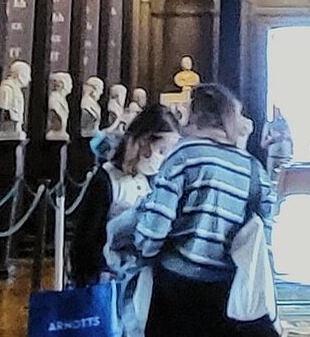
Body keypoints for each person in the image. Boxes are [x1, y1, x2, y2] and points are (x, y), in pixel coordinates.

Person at [132, 82, 271, 337]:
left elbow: (154, 230)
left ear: (197, 115)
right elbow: (264, 233)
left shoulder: (183, 155)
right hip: (227, 292)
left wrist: (142, 250)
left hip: (175, 289)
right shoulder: (254, 169)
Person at [77, 98, 179, 334]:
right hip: (109, 282)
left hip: (144, 285)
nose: (163, 158)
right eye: (162, 151)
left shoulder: (152, 181)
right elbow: (85, 238)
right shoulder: (106, 179)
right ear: (143, 143)